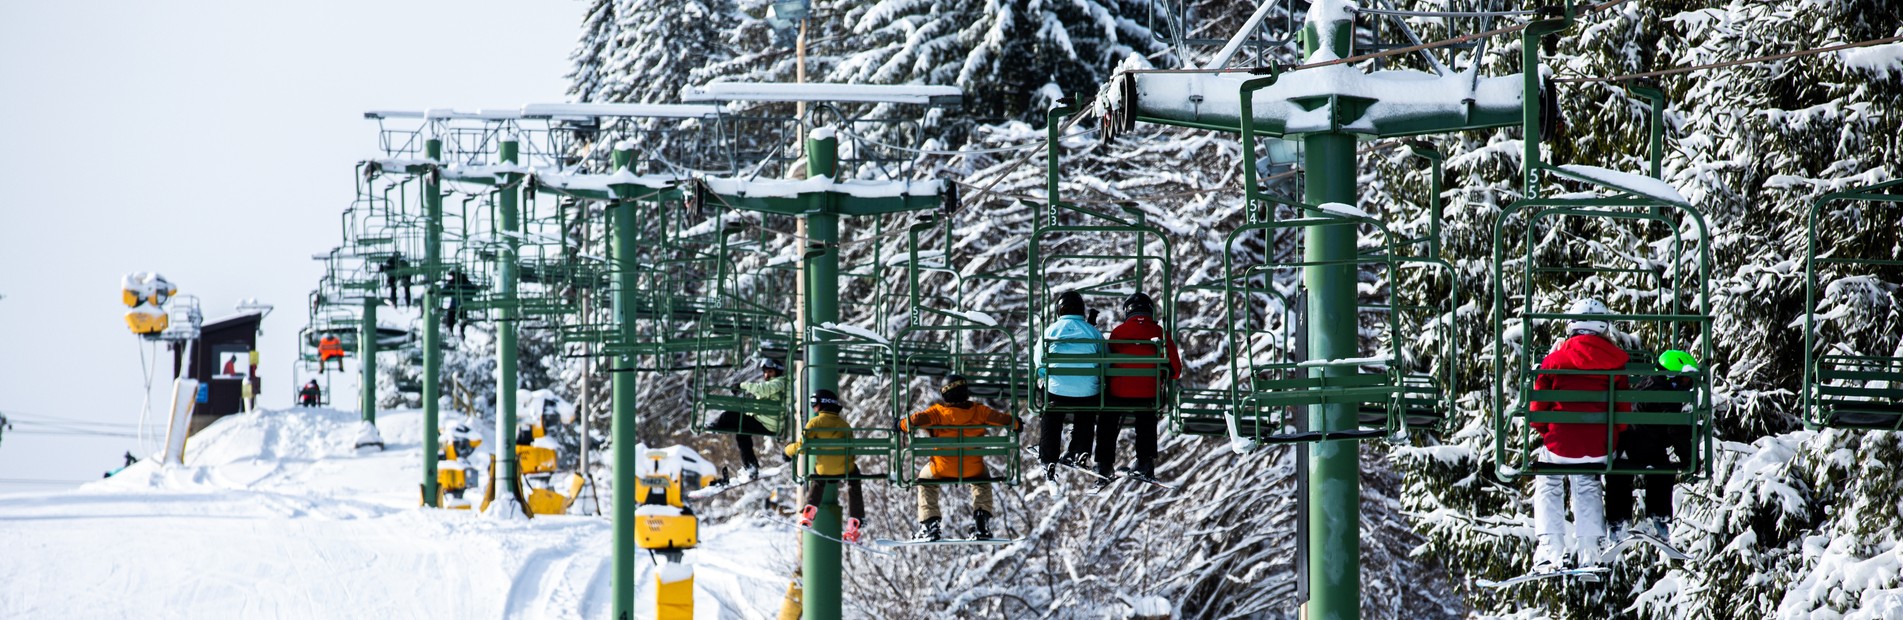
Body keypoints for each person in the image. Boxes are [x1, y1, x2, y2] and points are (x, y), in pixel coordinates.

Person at [1528, 298, 1631, 570]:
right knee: (1587, 480)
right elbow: (1623, 411)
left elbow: (1537, 410)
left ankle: (1551, 547)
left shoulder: (1554, 361)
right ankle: (1590, 550)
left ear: (1571, 325)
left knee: (1548, 476)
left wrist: (1548, 433)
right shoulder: (1617, 362)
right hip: (1600, 447)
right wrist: (1612, 437)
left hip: (1562, 446)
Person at [903, 375, 1020, 541]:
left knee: (925, 480)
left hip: (942, 468)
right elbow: (1006, 421)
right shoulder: (980, 411)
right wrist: (1016, 423)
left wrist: (899, 424)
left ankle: (930, 525)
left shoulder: (937, 412)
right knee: (982, 480)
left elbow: (912, 421)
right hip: (973, 468)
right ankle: (981, 523)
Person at [1604, 349, 1698, 542]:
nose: (1686, 386)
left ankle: (1618, 522)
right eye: (1684, 380)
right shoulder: (1668, 395)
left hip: (1625, 444)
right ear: (1671, 375)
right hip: (1646, 447)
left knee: (1620, 473)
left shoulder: (1646, 383)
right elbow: (1675, 430)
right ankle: (1659, 518)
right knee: (1662, 469)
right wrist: (1689, 458)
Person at [1098, 292, 1182, 485]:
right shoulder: (1160, 333)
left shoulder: (1118, 332)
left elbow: (1108, 363)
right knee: (1147, 418)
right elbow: (1176, 370)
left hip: (1119, 392)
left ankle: (1104, 464)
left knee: (1108, 418)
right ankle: (1145, 462)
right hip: (1148, 393)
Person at [1037, 291, 1107, 480]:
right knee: (1086, 411)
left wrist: (1048, 377)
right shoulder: (1093, 333)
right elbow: (1106, 362)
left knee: (1051, 414)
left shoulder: (1051, 331)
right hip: (1087, 392)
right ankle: (1081, 449)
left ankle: (1048, 456)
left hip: (1057, 391)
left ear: (1059, 310)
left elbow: (1038, 362)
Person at [784, 389, 867, 544]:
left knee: (818, 476)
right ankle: (855, 521)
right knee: (854, 479)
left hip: (824, 470)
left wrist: (788, 450)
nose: (813, 407)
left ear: (820, 404)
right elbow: (851, 451)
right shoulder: (845, 425)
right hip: (845, 469)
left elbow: (803, 446)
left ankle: (809, 510)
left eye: (814, 404)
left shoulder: (815, 423)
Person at [709, 358, 788, 480]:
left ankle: (716, 426)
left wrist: (742, 385)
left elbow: (763, 390)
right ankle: (751, 466)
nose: (766, 375)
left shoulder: (779, 382)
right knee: (741, 433)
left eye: (770, 372)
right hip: (766, 422)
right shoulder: (775, 384)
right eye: (765, 372)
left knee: (729, 416)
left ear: (777, 372)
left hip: (768, 424)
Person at [442, 269, 476, 338]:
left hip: (456, 304)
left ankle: (451, 329)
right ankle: (461, 329)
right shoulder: (466, 281)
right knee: (462, 315)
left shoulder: (453, 282)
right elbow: (473, 291)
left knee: (451, 313)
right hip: (465, 304)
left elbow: (444, 291)